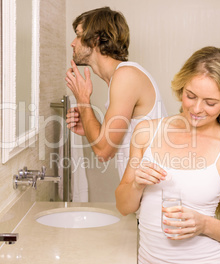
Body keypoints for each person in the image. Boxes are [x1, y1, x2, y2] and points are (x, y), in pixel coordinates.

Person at [115, 46, 220, 264]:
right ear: (181, 87)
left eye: (210, 103)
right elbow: (123, 206)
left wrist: (204, 225)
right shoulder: (146, 132)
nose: (196, 108)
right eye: (190, 96)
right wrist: (136, 185)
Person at [65, 7, 168, 179]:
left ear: (95, 39)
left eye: (78, 34)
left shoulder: (126, 76)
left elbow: (103, 152)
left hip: (158, 197)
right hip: (143, 193)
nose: (73, 43)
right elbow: (108, 146)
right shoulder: (119, 79)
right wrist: (90, 128)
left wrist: (82, 100)